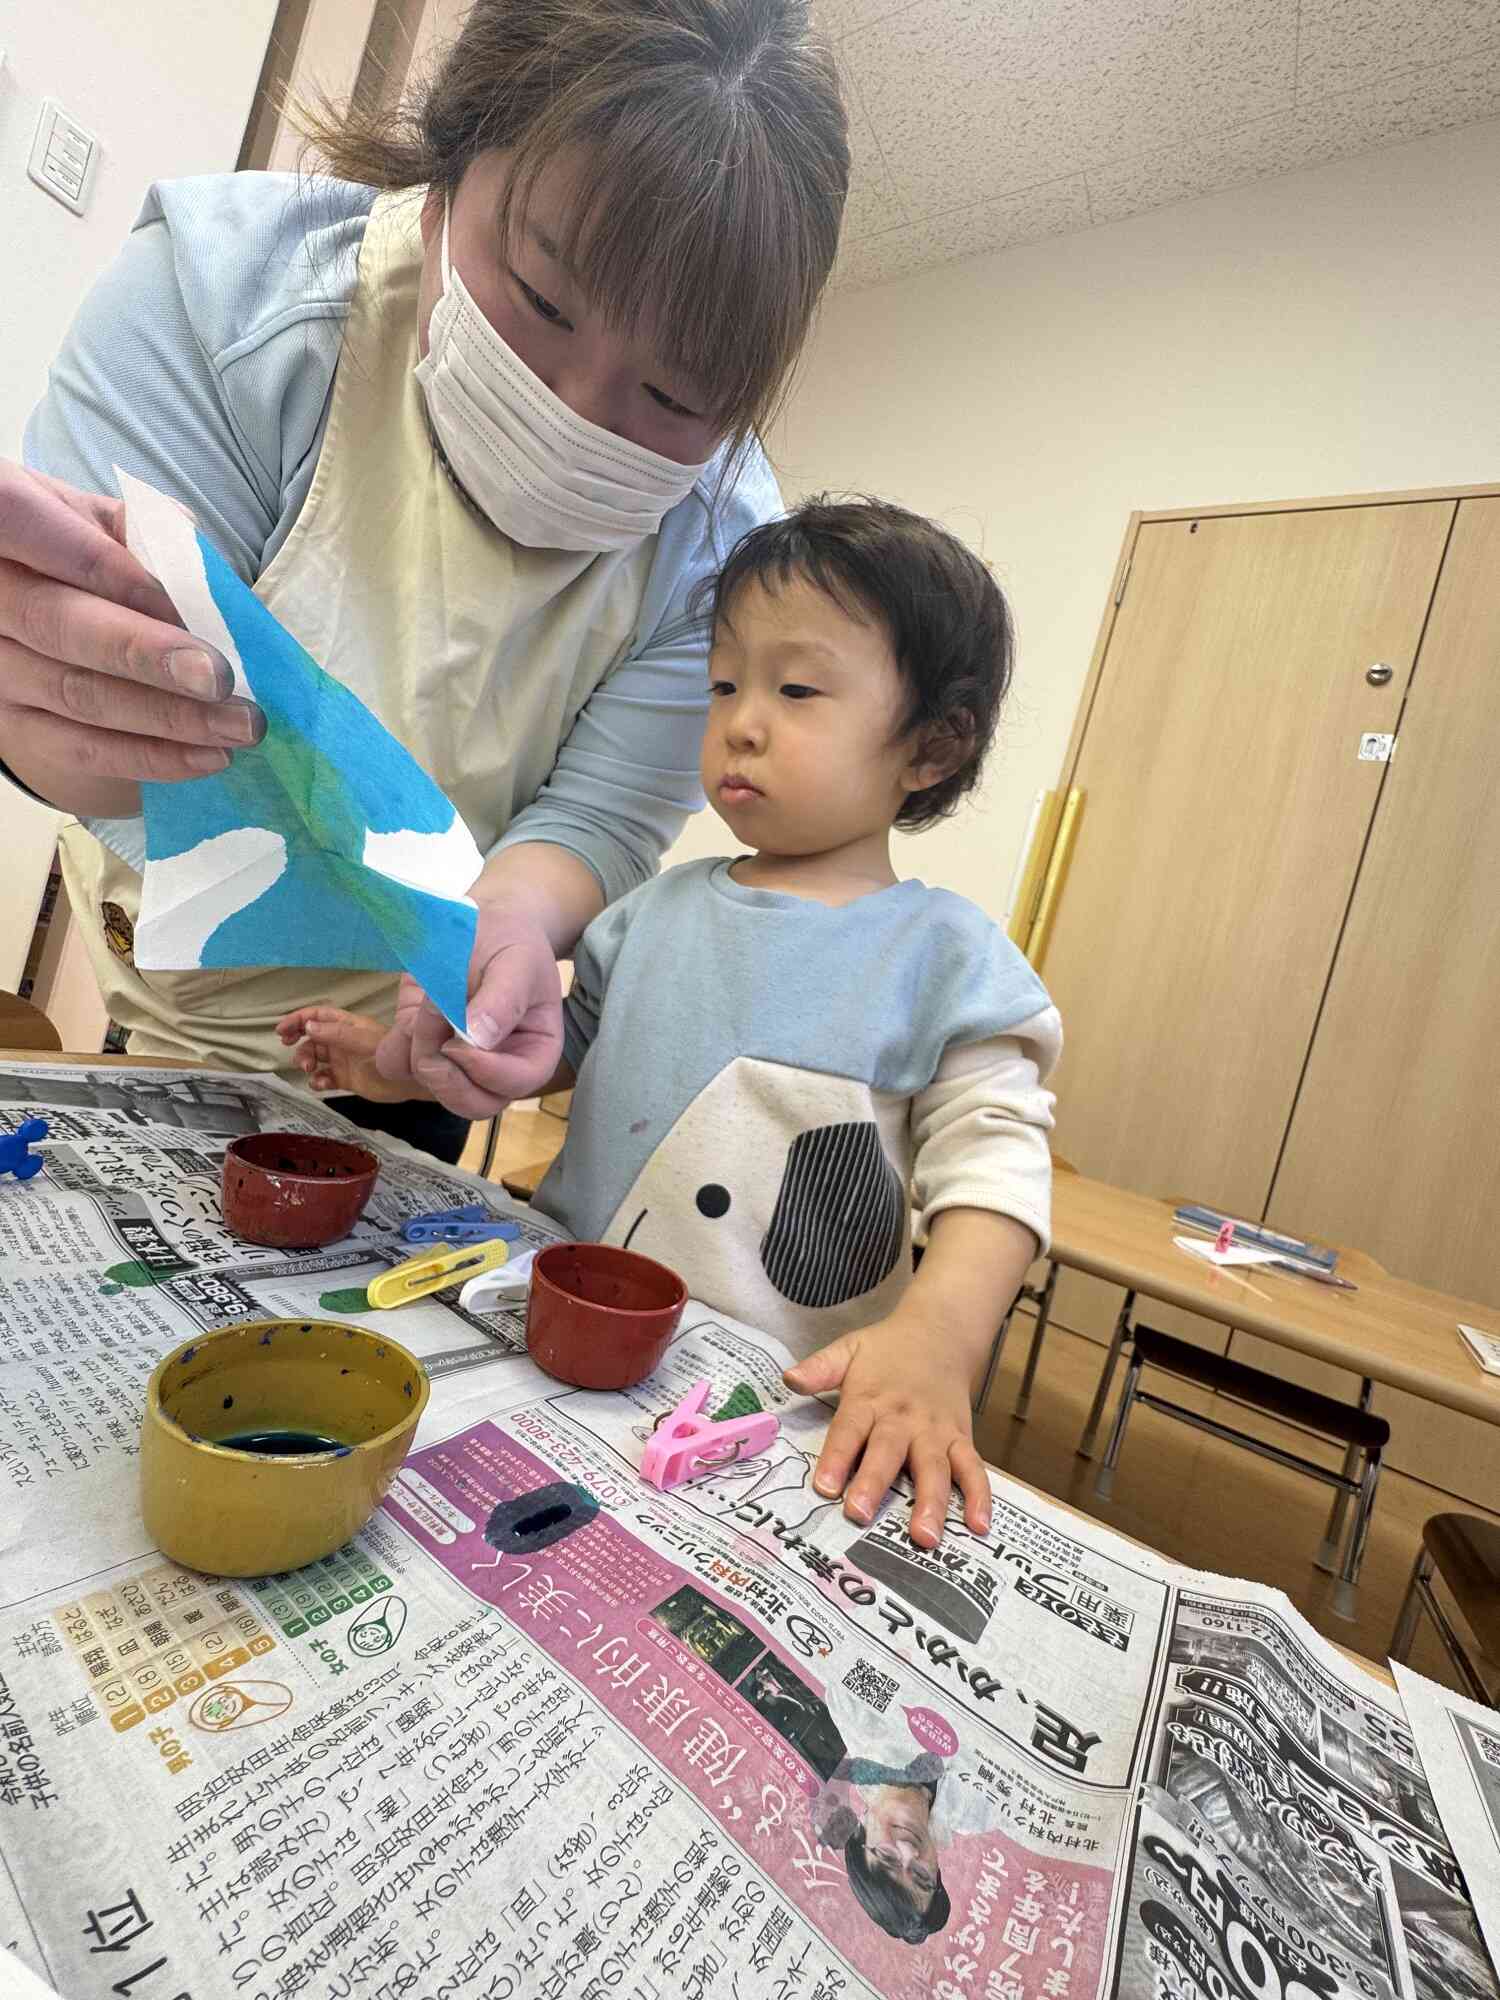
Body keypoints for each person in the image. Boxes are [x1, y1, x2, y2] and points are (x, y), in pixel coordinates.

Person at [0, 0, 849, 1163]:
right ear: (450, 165)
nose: (576, 411)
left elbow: (597, 812)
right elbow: (93, 726)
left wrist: (509, 931)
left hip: (418, 1024)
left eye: (675, 396)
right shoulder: (226, 303)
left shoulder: (727, 553)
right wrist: (49, 703)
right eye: (543, 303)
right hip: (174, 990)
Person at [280, 498, 1061, 1545]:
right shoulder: (649, 910)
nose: (741, 719)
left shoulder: (948, 957)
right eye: (725, 684)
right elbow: (551, 1059)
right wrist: (398, 1068)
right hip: (560, 1349)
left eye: (796, 688)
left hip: (768, 1413)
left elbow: (999, 1168)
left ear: (932, 745)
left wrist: (939, 1335)